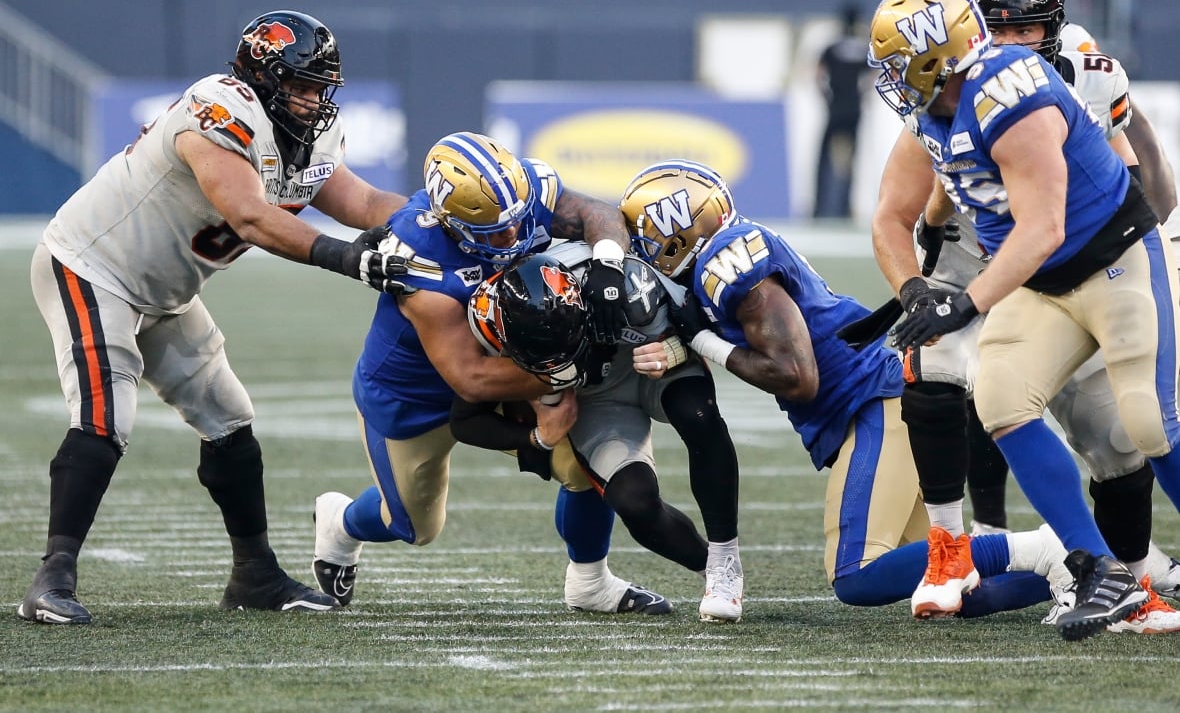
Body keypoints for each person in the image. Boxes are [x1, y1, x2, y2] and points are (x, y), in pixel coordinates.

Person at [19, 10, 411, 624]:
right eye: (299, 84)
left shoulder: (309, 137)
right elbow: (250, 216)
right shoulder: (218, 110)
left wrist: (438, 220)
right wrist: (348, 258)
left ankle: (254, 574)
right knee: (105, 418)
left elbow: (361, 200)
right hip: (93, 267)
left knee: (230, 420)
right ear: (261, 75)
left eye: (319, 88)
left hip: (167, 293)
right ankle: (52, 577)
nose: (311, 101)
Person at [864, 0, 1180, 634]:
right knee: (1001, 397)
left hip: (1113, 257)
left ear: (940, 55)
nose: (892, 78)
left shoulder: (1011, 89)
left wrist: (966, 302)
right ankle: (1100, 572)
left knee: (1147, 423)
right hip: (1038, 281)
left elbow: (1044, 227)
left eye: (900, 63)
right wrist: (917, 290)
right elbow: (896, 214)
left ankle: (1128, 566)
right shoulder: (934, 109)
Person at [618, 158, 1075, 622]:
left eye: (648, 238)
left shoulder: (726, 262)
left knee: (858, 573)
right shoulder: (724, 258)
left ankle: (1045, 548)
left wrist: (702, 341)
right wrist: (683, 344)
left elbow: (798, 377)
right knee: (950, 588)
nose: (646, 251)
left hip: (875, 402)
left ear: (678, 231)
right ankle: (1085, 568)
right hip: (873, 400)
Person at [310, 131, 673, 616]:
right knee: (414, 526)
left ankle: (590, 582)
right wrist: (575, 368)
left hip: (512, 363)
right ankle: (339, 524)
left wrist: (609, 261)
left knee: (586, 462)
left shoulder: (526, 192)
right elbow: (470, 379)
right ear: (451, 224)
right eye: (496, 232)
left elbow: (597, 212)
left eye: (518, 220)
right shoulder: (419, 260)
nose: (514, 235)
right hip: (414, 393)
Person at [456, 246, 746, 621]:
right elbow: (464, 419)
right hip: (597, 403)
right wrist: (538, 439)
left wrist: (672, 350)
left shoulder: (623, 285)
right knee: (634, 501)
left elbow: (703, 322)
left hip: (649, 365)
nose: (558, 362)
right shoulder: (490, 321)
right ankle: (712, 568)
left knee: (698, 416)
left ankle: (725, 556)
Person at [812, 1, 871, 219]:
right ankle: (845, 207)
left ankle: (819, 207)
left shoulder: (832, 47)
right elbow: (872, 76)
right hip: (854, 109)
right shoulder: (863, 48)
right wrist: (862, 96)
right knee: (851, 159)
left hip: (835, 108)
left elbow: (818, 75)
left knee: (824, 157)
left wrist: (827, 97)